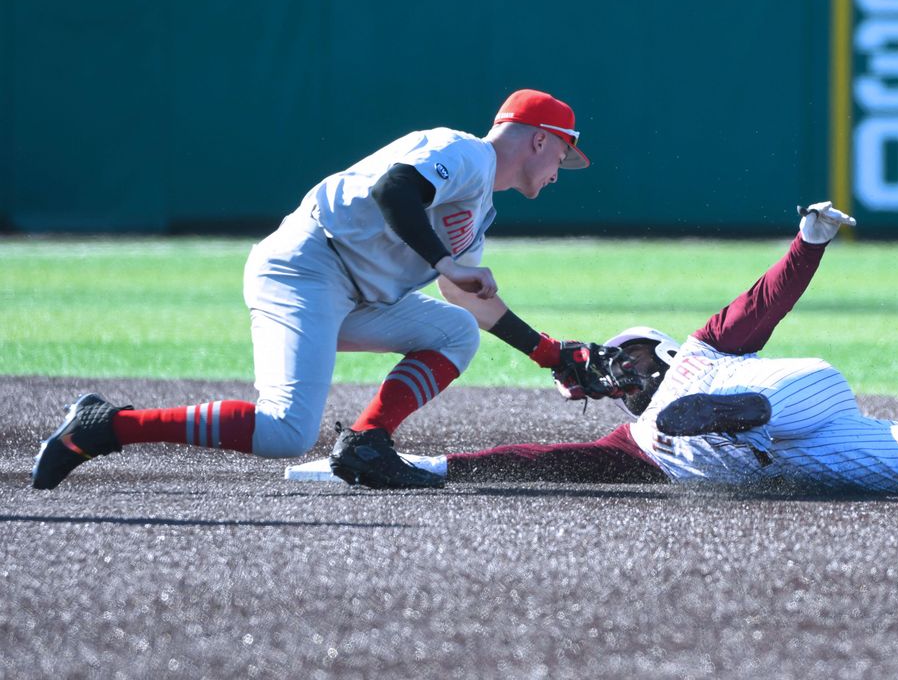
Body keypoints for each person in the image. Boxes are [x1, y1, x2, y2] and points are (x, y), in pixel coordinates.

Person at [33, 88, 616, 491]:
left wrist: (552, 354)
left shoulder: (479, 205)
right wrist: (443, 260)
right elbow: (395, 191)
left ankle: (366, 445)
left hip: (357, 294)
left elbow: (466, 296)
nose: (559, 170)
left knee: (455, 329)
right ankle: (106, 426)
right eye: (563, 156)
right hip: (305, 269)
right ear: (540, 140)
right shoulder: (463, 152)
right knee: (285, 432)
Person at [353, 202, 898, 500]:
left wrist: (809, 240)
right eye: (615, 373)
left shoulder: (700, 346)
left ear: (654, 349)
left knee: (753, 402)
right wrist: (437, 468)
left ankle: (737, 411)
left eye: (628, 359)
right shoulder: (635, 443)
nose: (621, 374)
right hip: (813, 459)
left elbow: (768, 298)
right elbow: (539, 457)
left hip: (796, 397)